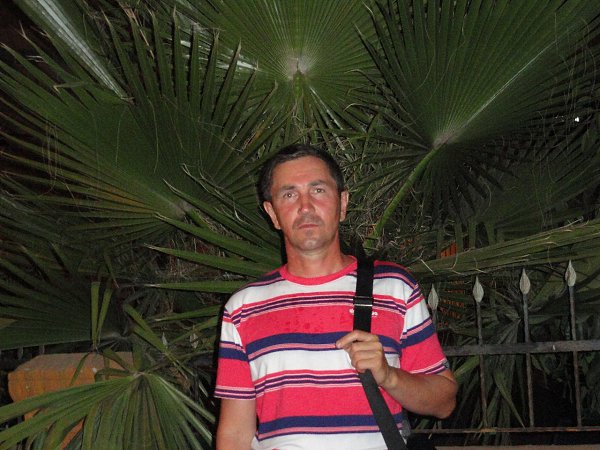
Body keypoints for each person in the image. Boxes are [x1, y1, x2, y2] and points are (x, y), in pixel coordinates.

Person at [215, 144, 457, 449]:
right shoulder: (243, 308)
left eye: (318, 190)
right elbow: (235, 434)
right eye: (289, 194)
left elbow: (444, 402)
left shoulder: (394, 287)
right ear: (273, 213)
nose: (305, 206)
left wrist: (389, 376)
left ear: (342, 203)